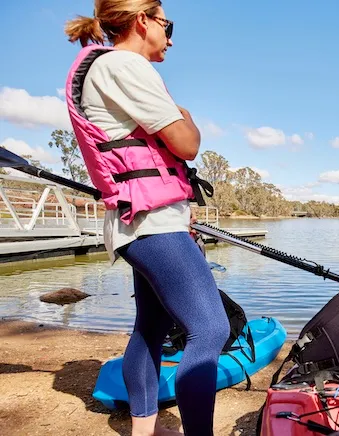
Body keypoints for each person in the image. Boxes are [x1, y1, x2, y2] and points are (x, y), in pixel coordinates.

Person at [64, 2, 227, 435]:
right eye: (166, 25)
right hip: (151, 222)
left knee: (151, 327)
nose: (169, 38)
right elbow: (186, 143)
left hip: (141, 220)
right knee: (211, 329)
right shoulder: (124, 65)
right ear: (143, 20)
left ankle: (143, 429)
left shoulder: (107, 68)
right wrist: (188, 117)